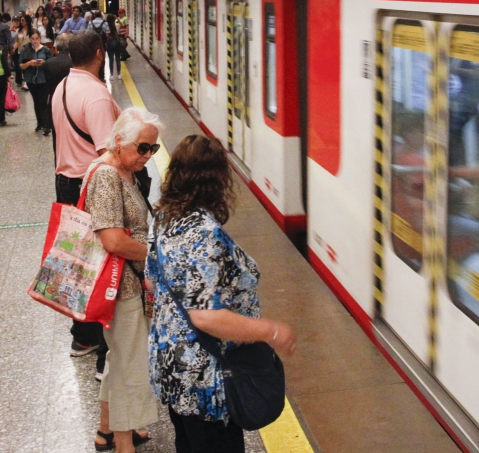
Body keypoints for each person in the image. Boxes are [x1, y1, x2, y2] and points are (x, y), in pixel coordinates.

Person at [149, 135, 297, 453]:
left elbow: (152, 282)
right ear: (217, 180)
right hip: (206, 377)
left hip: (171, 364)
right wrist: (272, 331)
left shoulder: (163, 217)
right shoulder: (204, 234)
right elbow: (206, 316)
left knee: (187, 442)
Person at [85, 107, 164, 452]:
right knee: (131, 364)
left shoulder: (125, 170)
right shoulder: (107, 175)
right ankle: (122, 440)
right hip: (120, 286)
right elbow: (113, 240)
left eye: (154, 149)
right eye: (142, 148)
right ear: (119, 142)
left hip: (126, 282)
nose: (148, 155)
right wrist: (155, 254)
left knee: (119, 357)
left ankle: (107, 428)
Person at [52, 30, 118, 372]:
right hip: (89, 187)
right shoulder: (95, 95)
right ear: (98, 52)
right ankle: (106, 358)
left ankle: (83, 336)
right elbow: (108, 156)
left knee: (79, 263)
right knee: (104, 267)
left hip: (66, 183)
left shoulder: (63, 87)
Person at [20, 30, 53, 135]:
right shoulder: (26, 50)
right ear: (30, 39)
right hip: (31, 79)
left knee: (43, 102)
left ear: (40, 39)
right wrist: (29, 63)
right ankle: (39, 122)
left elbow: (51, 63)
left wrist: (44, 63)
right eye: (33, 39)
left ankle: (46, 124)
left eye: (37, 38)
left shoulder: (45, 49)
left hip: (43, 79)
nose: (35, 41)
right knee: (36, 101)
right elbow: (21, 65)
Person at [13, 16, 32, 90]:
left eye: (23, 20)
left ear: (27, 21)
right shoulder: (19, 30)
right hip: (20, 50)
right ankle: (20, 81)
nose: (21, 22)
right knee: (19, 66)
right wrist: (13, 49)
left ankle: (27, 82)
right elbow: (17, 41)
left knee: (27, 66)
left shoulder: (32, 30)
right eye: (21, 20)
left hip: (29, 51)